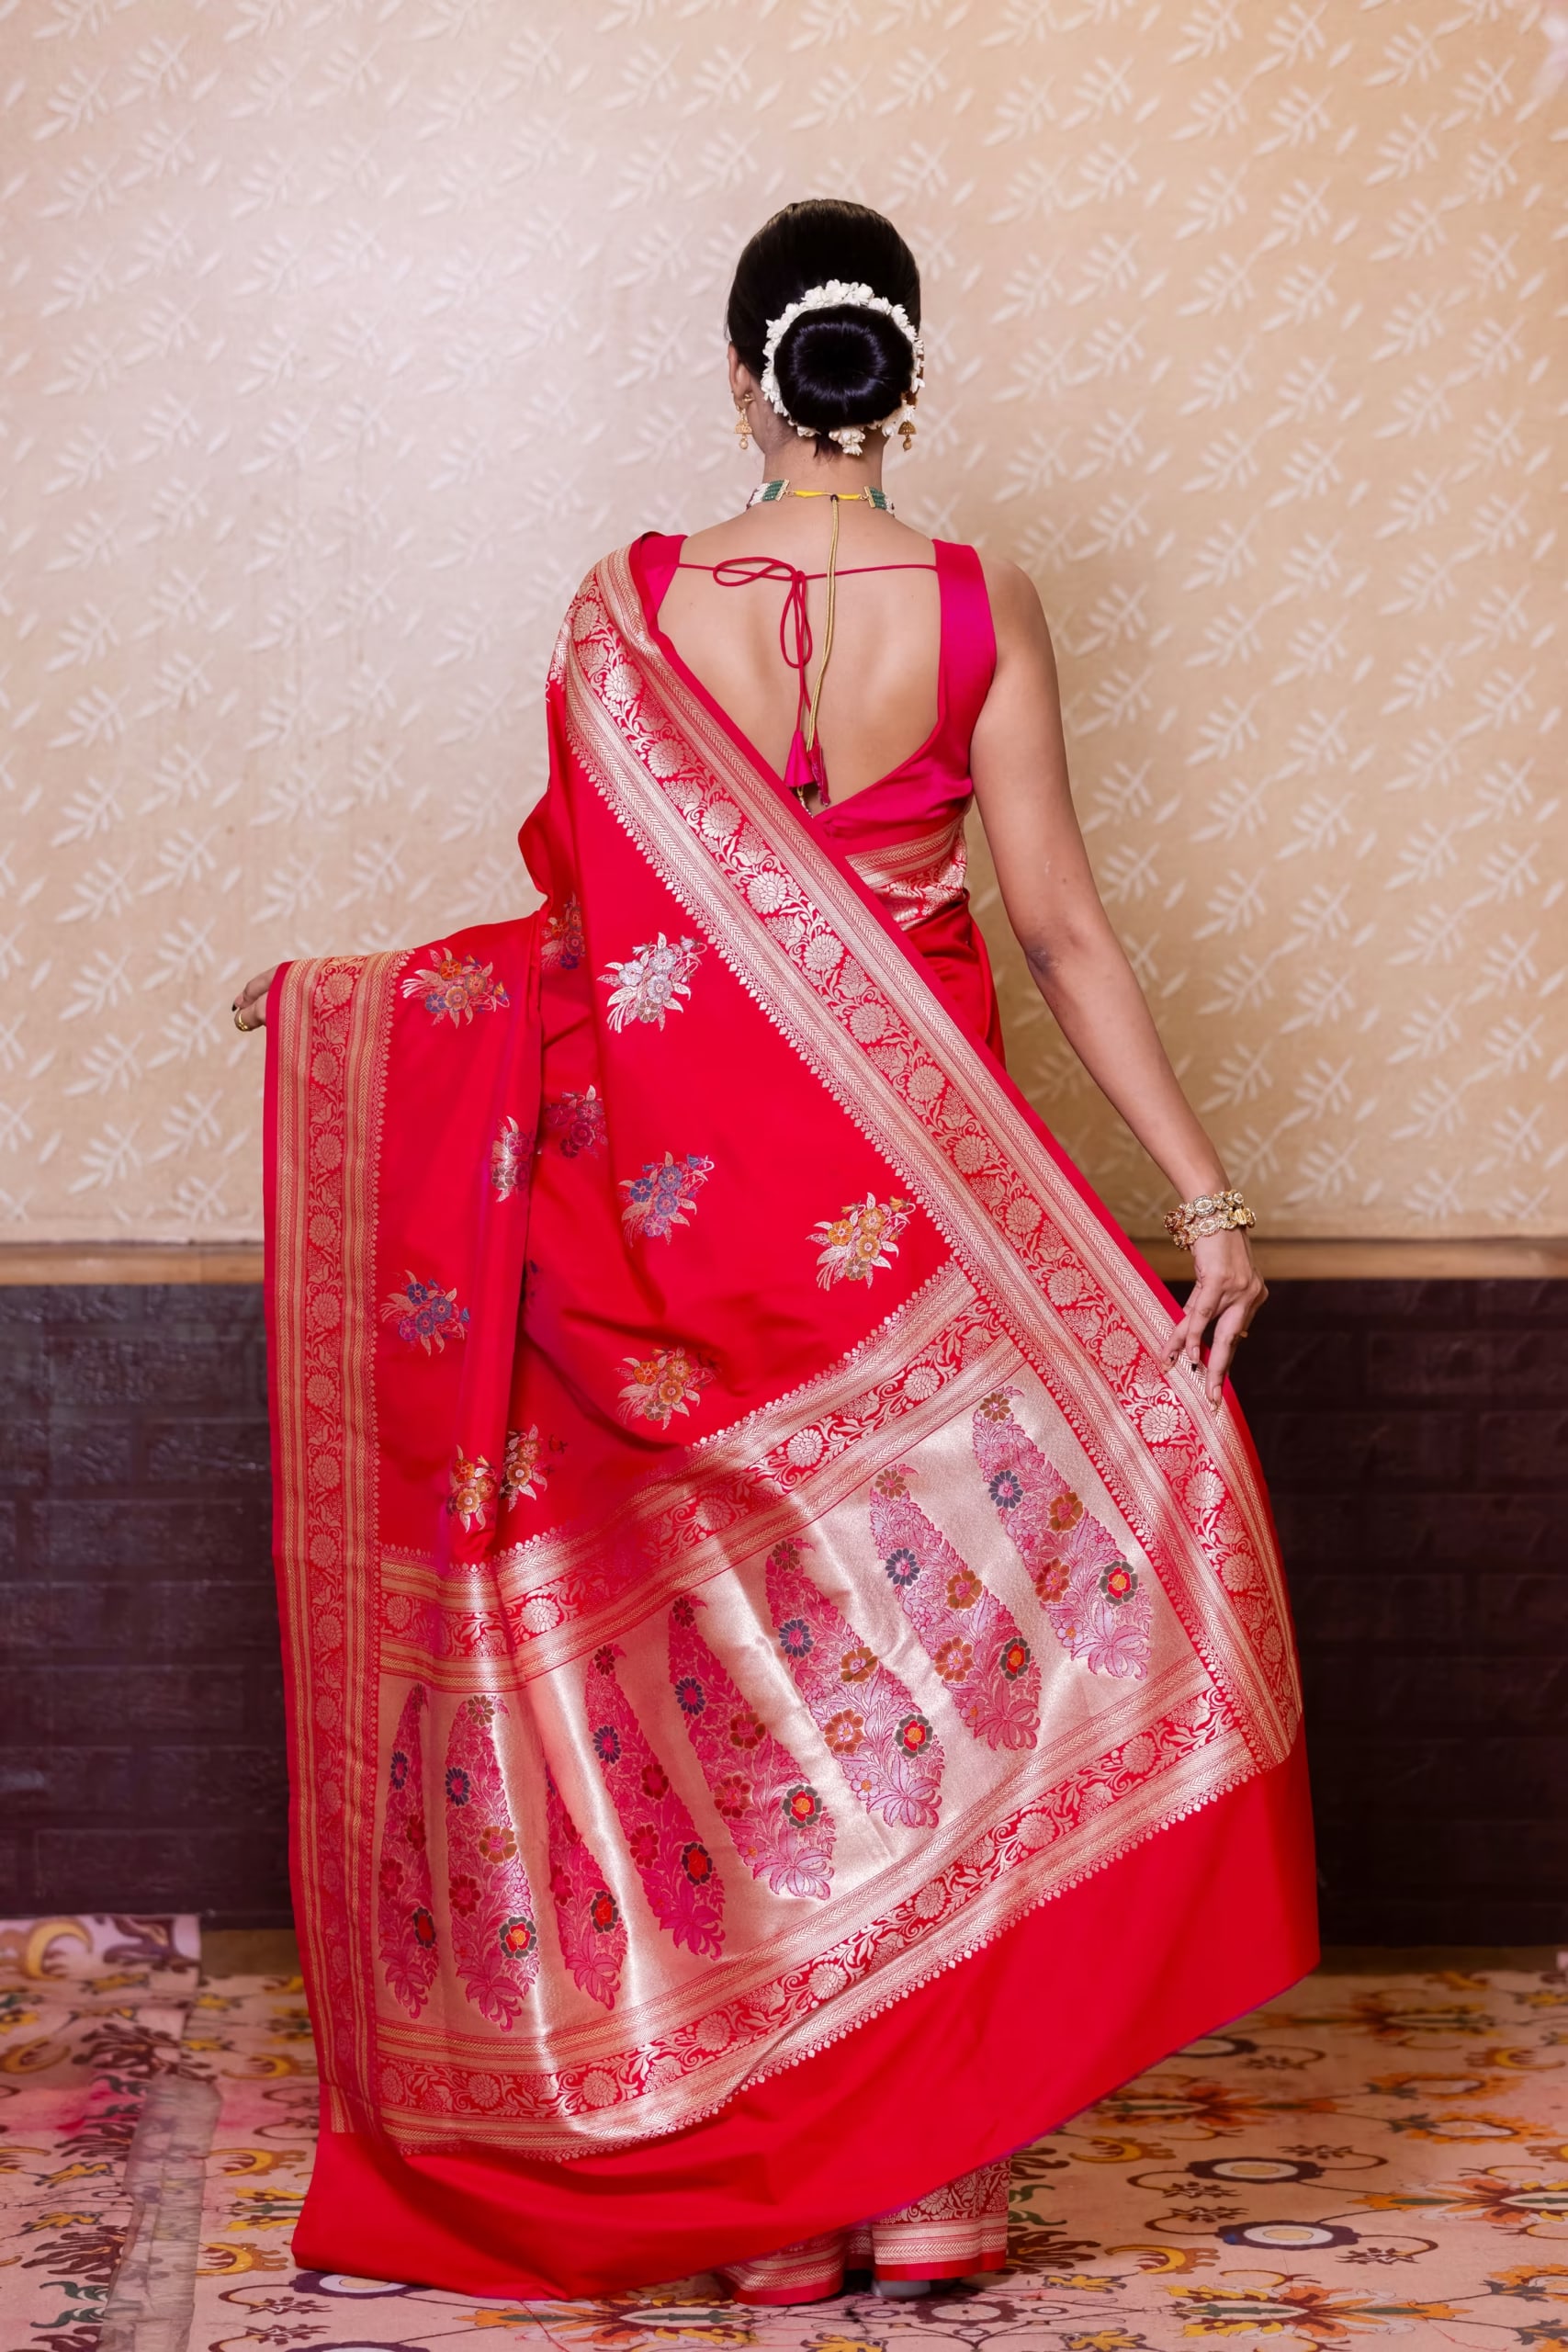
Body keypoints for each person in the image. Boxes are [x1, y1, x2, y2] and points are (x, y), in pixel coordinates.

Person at [233, 198, 1314, 2307]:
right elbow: (1059, 923)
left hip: (678, 1212)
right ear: (903, 372)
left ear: (746, 375)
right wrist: (1198, 1200)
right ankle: (935, 2182)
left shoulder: (629, 607)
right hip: (924, 1209)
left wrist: (360, 1011)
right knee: (935, 1673)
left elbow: (579, 942)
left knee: (748, 1668)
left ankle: (785, 2204)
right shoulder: (978, 599)